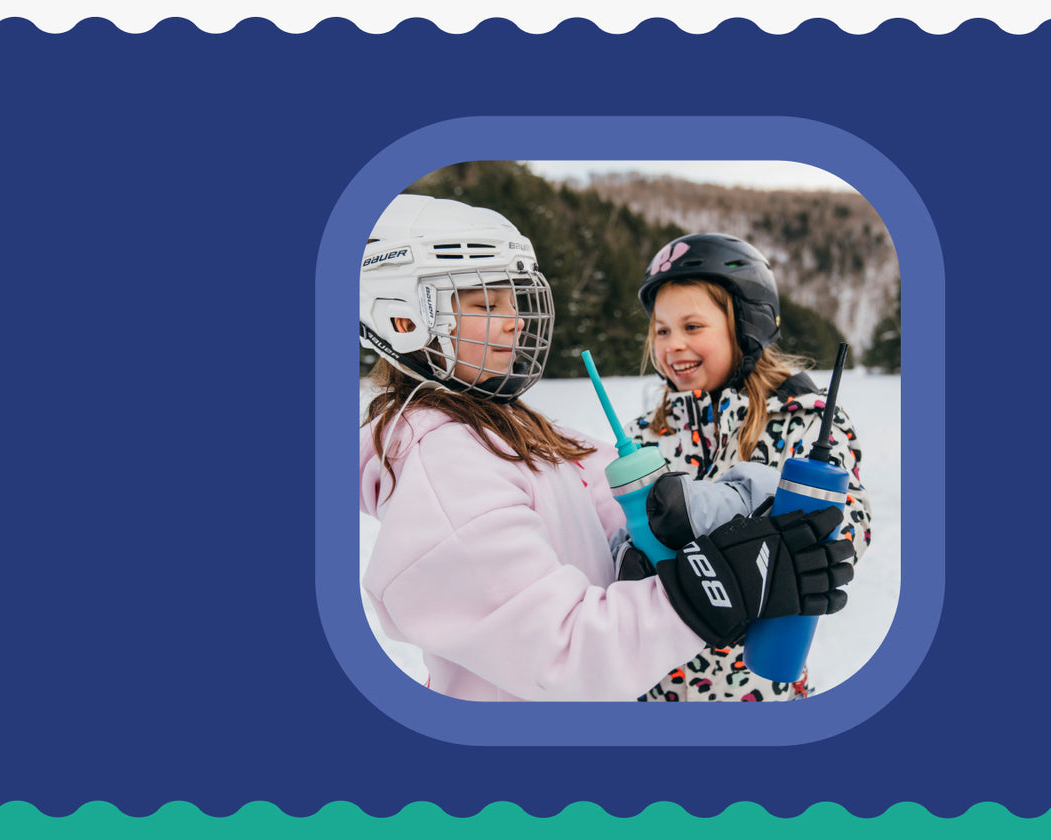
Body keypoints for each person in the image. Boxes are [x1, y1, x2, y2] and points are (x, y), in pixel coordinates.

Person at [358, 195, 854, 701]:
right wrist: (711, 587)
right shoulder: (447, 465)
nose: (516, 322)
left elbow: (625, 510)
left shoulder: (517, 432)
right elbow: (562, 653)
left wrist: (733, 514)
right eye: (488, 305)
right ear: (402, 319)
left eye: (514, 302)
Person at [626, 232, 873, 701]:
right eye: (661, 330)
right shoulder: (646, 433)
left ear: (746, 325)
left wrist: (774, 550)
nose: (673, 344)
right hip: (653, 691)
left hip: (757, 691)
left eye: (692, 326)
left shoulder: (805, 420)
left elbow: (847, 523)